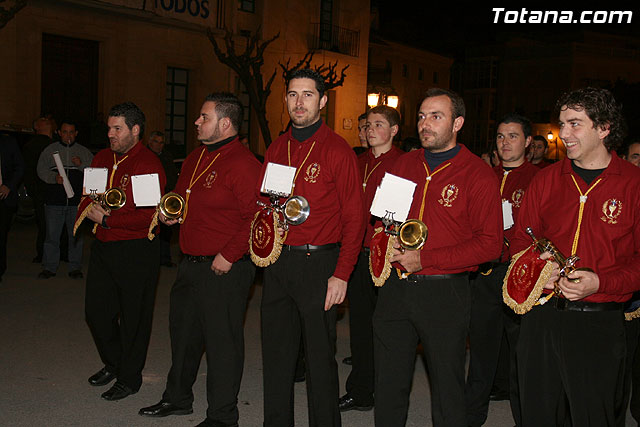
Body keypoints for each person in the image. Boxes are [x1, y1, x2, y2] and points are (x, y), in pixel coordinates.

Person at [509, 87, 640, 426]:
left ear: (604, 127)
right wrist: (538, 271)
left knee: (594, 416)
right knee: (536, 413)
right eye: (562, 124)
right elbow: (521, 243)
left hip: (599, 321)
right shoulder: (546, 179)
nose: (563, 134)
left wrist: (601, 281)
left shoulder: (633, 184)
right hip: (542, 318)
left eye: (575, 124)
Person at [373, 88, 503, 427]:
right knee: (389, 381)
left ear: (457, 123)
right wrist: (382, 237)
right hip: (395, 286)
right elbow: (383, 219)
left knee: (447, 386)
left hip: (445, 292)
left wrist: (426, 259)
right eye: (421, 116)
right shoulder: (402, 164)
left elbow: (491, 245)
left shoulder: (478, 174)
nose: (425, 124)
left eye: (436, 116)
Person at [139, 93, 260, 427]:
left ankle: (223, 416)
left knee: (223, 344)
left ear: (224, 123)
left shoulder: (245, 164)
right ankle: (177, 398)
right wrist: (169, 213)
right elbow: (182, 197)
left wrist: (229, 254)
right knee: (184, 335)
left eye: (203, 117)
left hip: (225, 267)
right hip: (190, 263)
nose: (196, 122)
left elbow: (258, 218)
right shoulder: (195, 157)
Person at [257, 69, 364, 427]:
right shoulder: (277, 146)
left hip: (320, 263)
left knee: (319, 358)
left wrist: (341, 274)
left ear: (322, 100)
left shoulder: (337, 150)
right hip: (278, 263)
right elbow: (267, 203)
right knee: (276, 354)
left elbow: (355, 218)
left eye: (306, 95)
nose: (298, 102)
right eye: (292, 94)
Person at [82, 102, 166, 401]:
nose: (110, 134)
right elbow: (86, 197)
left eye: (117, 129)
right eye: (109, 128)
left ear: (135, 130)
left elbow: (148, 216)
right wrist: (90, 209)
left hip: (136, 250)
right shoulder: (102, 157)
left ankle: (129, 378)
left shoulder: (147, 163)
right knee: (96, 312)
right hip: (104, 247)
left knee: (134, 317)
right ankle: (115, 363)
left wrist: (107, 218)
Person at [465, 113, 539, 427]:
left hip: (520, 273)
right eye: (500, 136)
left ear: (528, 142)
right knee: (481, 349)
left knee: (522, 355)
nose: (505, 143)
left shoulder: (539, 177)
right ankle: (470, 416)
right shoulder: (483, 174)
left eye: (512, 136)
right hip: (485, 273)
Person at [339, 105, 404, 413]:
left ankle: (387, 390)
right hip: (357, 252)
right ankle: (361, 389)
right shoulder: (357, 161)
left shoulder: (404, 163)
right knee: (361, 326)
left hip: (387, 255)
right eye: (366, 126)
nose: (369, 130)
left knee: (387, 327)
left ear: (393, 130)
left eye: (378, 124)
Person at [36, 119, 93, 279]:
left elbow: (94, 173)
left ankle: (75, 267)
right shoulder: (49, 150)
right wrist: (54, 178)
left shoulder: (83, 152)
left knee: (75, 236)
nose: (68, 135)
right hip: (54, 201)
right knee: (52, 236)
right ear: (59, 133)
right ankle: (49, 267)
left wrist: (81, 165)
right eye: (65, 132)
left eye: (71, 132)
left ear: (76, 134)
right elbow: (40, 170)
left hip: (76, 203)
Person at [22, 116, 54, 263]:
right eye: (42, 120)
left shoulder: (55, 144)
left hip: (53, 190)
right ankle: (44, 254)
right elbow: (28, 170)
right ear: (37, 126)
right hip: (43, 190)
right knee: (45, 223)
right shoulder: (33, 145)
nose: (46, 120)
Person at [147, 131, 178, 267]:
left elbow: (172, 176)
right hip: (149, 197)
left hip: (165, 196)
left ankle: (165, 258)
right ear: (149, 142)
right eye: (156, 142)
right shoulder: (144, 156)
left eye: (161, 143)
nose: (159, 145)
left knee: (166, 229)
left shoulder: (166, 156)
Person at [0, 133, 24, 282]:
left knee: (1, 235)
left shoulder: (7, 142)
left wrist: (9, 185)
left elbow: (20, 166)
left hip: (2, 196)